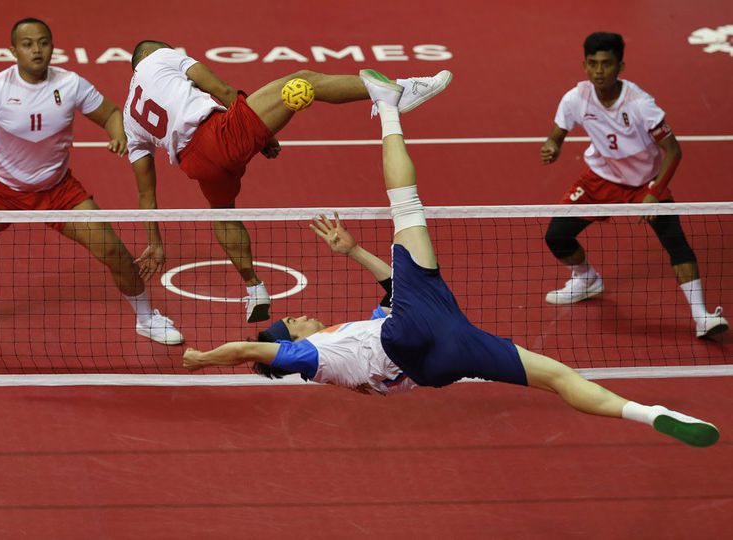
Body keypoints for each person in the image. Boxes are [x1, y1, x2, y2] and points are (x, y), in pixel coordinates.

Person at [181, 70, 719, 448]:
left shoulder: (345, 356)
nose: (296, 316)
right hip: (414, 328)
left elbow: (394, 289)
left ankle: (648, 414)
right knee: (405, 205)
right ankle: (389, 107)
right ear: (290, 342)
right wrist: (203, 359)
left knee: (556, 377)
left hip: (436, 358)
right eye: (289, 322)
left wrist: (352, 251)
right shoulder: (309, 357)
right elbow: (250, 349)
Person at [125, 40, 452, 323]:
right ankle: (401, 90)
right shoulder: (160, 57)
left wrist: (155, 242)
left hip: (197, 165)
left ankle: (254, 289)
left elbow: (145, 195)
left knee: (222, 211)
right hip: (218, 134)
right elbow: (222, 90)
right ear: (155, 53)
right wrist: (260, 134)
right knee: (303, 80)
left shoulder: (129, 114)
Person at [0, 18, 183, 345]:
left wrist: (117, 134)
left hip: (58, 190)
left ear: (52, 46)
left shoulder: (71, 84)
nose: (37, 50)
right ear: (13, 50)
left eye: (43, 42)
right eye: (28, 44)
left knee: (115, 252)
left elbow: (111, 114)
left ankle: (146, 318)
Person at [541, 32, 727, 339]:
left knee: (675, 242)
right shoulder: (576, 98)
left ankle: (702, 317)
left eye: (607, 64)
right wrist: (552, 146)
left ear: (620, 66)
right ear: (584, 66)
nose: (599, 71)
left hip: (644, 184)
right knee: (557, 236)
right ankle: (587, 279)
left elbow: (674, 151)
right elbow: (557, 133)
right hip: (599, 178)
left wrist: (654, 193)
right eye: (593, 64)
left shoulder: (640, 104)